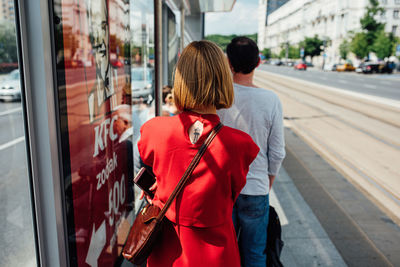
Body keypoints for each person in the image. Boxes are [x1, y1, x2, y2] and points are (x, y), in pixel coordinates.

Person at [137, 40, 260, 267]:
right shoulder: (241, 145)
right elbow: (230, 193)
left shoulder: (153, 130)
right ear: (223, 80)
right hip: (217, 252)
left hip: (167, 249)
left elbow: (150, 170)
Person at [217, 36, 286, 266]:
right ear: (258, 62)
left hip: (222, 188)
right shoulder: (271, 99)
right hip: (255, 187)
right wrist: (267, 183)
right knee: (255, 254)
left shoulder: (218, 97)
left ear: (228, 63)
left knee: (224, 253)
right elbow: (277, 151)